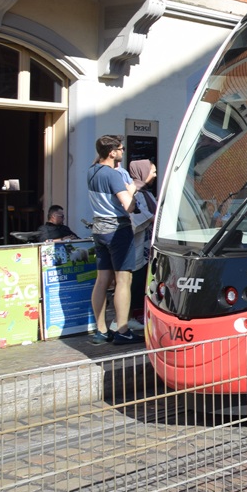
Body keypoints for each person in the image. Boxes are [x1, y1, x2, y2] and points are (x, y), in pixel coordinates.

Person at [87, 135, 142, 345]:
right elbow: (128, 205)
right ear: (111, 153)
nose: (123, 152)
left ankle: (100, 331)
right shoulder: (113, 175)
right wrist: (133, 192)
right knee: (123, 280)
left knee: (102, 281)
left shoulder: (91, 172)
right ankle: (122, 330)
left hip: (99, 230)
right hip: (118, 230)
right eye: (120, 148)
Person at [126, 160, 158, 332]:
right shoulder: (134, 193)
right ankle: (127, 317)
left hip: (148, 246)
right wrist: (154, 219)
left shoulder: (146, 193)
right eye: (152, 172)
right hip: (138, 246)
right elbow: (136, 217)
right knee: (134, 282)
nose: (154, 175)